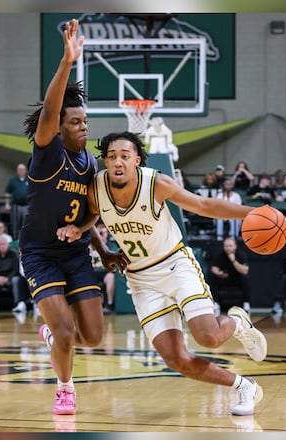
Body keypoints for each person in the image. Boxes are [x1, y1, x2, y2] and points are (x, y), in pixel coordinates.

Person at [63, 131, 268, 416]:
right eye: (111, 157)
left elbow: (203, 205)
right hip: (140, 279)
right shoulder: (96, 189)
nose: (118, 162)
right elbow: (91, 218)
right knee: (175, 359)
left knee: (208, 337)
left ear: (137, 160)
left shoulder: (157, 183)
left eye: (124, 156)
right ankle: (244, 386)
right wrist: (104, 251)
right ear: (105, 161)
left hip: (174, 265)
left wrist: (253, 213)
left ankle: (237, 322)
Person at [20, 19, 129, 416]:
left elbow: (89, 214)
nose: (84, 127)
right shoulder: (48, 152)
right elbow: (51, 108)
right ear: (59, 128)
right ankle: (65, 388)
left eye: (85, 121)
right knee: (67, 334)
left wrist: (104, 250)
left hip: (77, 253)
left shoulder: (87, 161)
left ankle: (53, 336)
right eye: (76, 122)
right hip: (39, 252)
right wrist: (67, 62)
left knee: (93, 336)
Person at [208, 237, 252, 316]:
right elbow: (214, 268)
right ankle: (216, 304)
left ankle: (246, 304)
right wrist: (219, 273)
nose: (228, 248)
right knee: (211, 278)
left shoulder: (241, 255)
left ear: (235, 246)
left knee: (246, 279)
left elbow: (245, 270)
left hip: (237, 278)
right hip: (224, 278)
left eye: (230, 246)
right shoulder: (220, 255)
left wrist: (233, 260)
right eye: (226, 246)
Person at [0, 235, 24, 312]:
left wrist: (8, 278)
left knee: (16, 280)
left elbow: (16, 270)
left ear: (7, 245)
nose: (2, 246)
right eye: (0, 244)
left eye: (4, 244)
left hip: (10, 278)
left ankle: (18, 304)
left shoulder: (14, 254)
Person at [90, 224, 115, 313]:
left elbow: (113, 261)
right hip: (92, 272)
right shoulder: (91, 245)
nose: (103, 235)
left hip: (105, 272)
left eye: (105, 233)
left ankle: (109, 305)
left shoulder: (110, 245)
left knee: (111, 277)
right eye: (100, 233)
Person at [4, 163, 29, 240]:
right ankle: (15, 240)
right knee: (15, 224)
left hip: (26, 206)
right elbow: (8, 193)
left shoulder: (29, 180)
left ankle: (25, 240)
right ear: (17, 171)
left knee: (26, 224)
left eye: (22, 169)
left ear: (25, 170)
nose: (21, 171)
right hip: (16, 205)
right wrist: (7, 204)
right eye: (19, 169)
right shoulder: (13, 181)